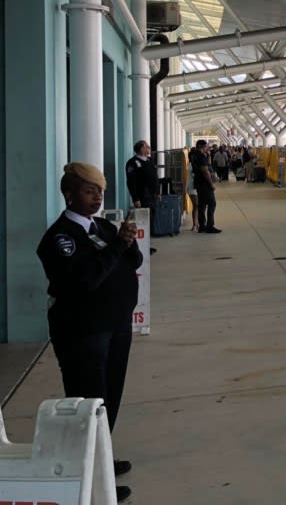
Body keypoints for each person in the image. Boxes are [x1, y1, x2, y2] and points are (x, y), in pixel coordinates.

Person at [37, 162, 143, 504]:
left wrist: (127, 241)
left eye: (100, 191)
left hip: (116, 326)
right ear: (69, 195)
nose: (97, 197)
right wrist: (117, 247)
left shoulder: (103, 227)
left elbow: (133, 262)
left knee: (108, 399)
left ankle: (101, 460)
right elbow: (85, 280)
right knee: (88, 400)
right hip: (84, 332)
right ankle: (90, 479)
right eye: (89, 191)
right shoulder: (61, 238)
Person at [192, 139, 221, 234]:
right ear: (201, 147)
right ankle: (210, 226)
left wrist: (208, 156)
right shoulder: (201, 156)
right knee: (212, 203)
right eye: (205, 146)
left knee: (202, 205)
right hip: (205, 184)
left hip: (198, 183)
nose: (206, 148)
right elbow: (205, 170)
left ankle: (202, 226)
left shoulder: (194, 155)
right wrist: (211, 184)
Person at [125, 140, 159, 211]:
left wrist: (157, 192)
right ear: (141, 149)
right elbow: (131, 182)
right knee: (143, 217)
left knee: (152, 216)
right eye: (147, 146)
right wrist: (135, 199)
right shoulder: (132, 162)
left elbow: (155, 177)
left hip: (152, 196)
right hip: (141, 197)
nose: (149, 147)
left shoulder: (150, 160)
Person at [186, 147, 200, 232]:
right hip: (192, 187)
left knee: (196, 206)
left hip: (194, 187)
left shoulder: (192, 164)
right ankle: (195, 224)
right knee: (196, 205)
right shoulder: (192, 165)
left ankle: (196, 224)